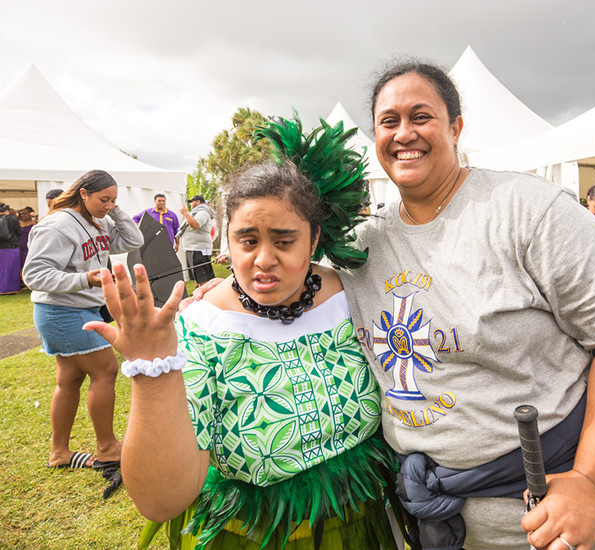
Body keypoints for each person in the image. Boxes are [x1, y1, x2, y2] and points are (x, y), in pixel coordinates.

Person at [334, 61, 595, 550]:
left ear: (456, 127)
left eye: (420, 116)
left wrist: (593, 485)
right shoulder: (361, 246)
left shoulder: (528, 211)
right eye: (389, 121)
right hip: (435, 518)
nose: (404, 132)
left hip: (555, 521)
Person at [85, 121, 405, 549]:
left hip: (363, 515)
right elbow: (161, 502)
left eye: (284, 241)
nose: (263, 260)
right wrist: (152, 366)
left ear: (313, 242)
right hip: (256, 534)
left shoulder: (353, 293)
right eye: (247, 240)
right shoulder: (202, 327)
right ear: (228, 243)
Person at [21, 170, 143, 471]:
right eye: (104, 199)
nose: (109, 206)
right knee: (106, 370)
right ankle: (107, 447)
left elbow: (133, 239)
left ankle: (59, 453)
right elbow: (34, 274)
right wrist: (85, 279)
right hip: (62, 311)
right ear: (83, 193)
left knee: (70, 379)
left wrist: (114, 210)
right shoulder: (58, 225)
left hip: (78, 309)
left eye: (114, 200)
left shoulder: (99, 220)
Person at [177, 195, 215, 285]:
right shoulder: (196, 213)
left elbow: (196, 225)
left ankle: (206, 296)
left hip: (199, 250)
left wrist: (185, 213)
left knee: (203, 278)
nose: (190, 204)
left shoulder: (203, 212)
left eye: (192, 202)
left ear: (198, 202)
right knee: (198, 277)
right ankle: (198, 294)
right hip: (193, 249)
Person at [0, 202, 23, 294]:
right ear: (7, 211)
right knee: (12, 268)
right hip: (11, 247)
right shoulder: (13, 219)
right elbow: (20, 231)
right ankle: (11, 288)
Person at [17, 206, 36, 289]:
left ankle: (27, 283)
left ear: (29, 214)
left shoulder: (34, 222)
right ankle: (21, 282)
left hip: (28, 246)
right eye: (22, 214)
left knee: (27, 263)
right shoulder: (18, 222)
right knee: (19, 264)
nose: (23, 215)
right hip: (19, 245)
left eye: (25, 213)